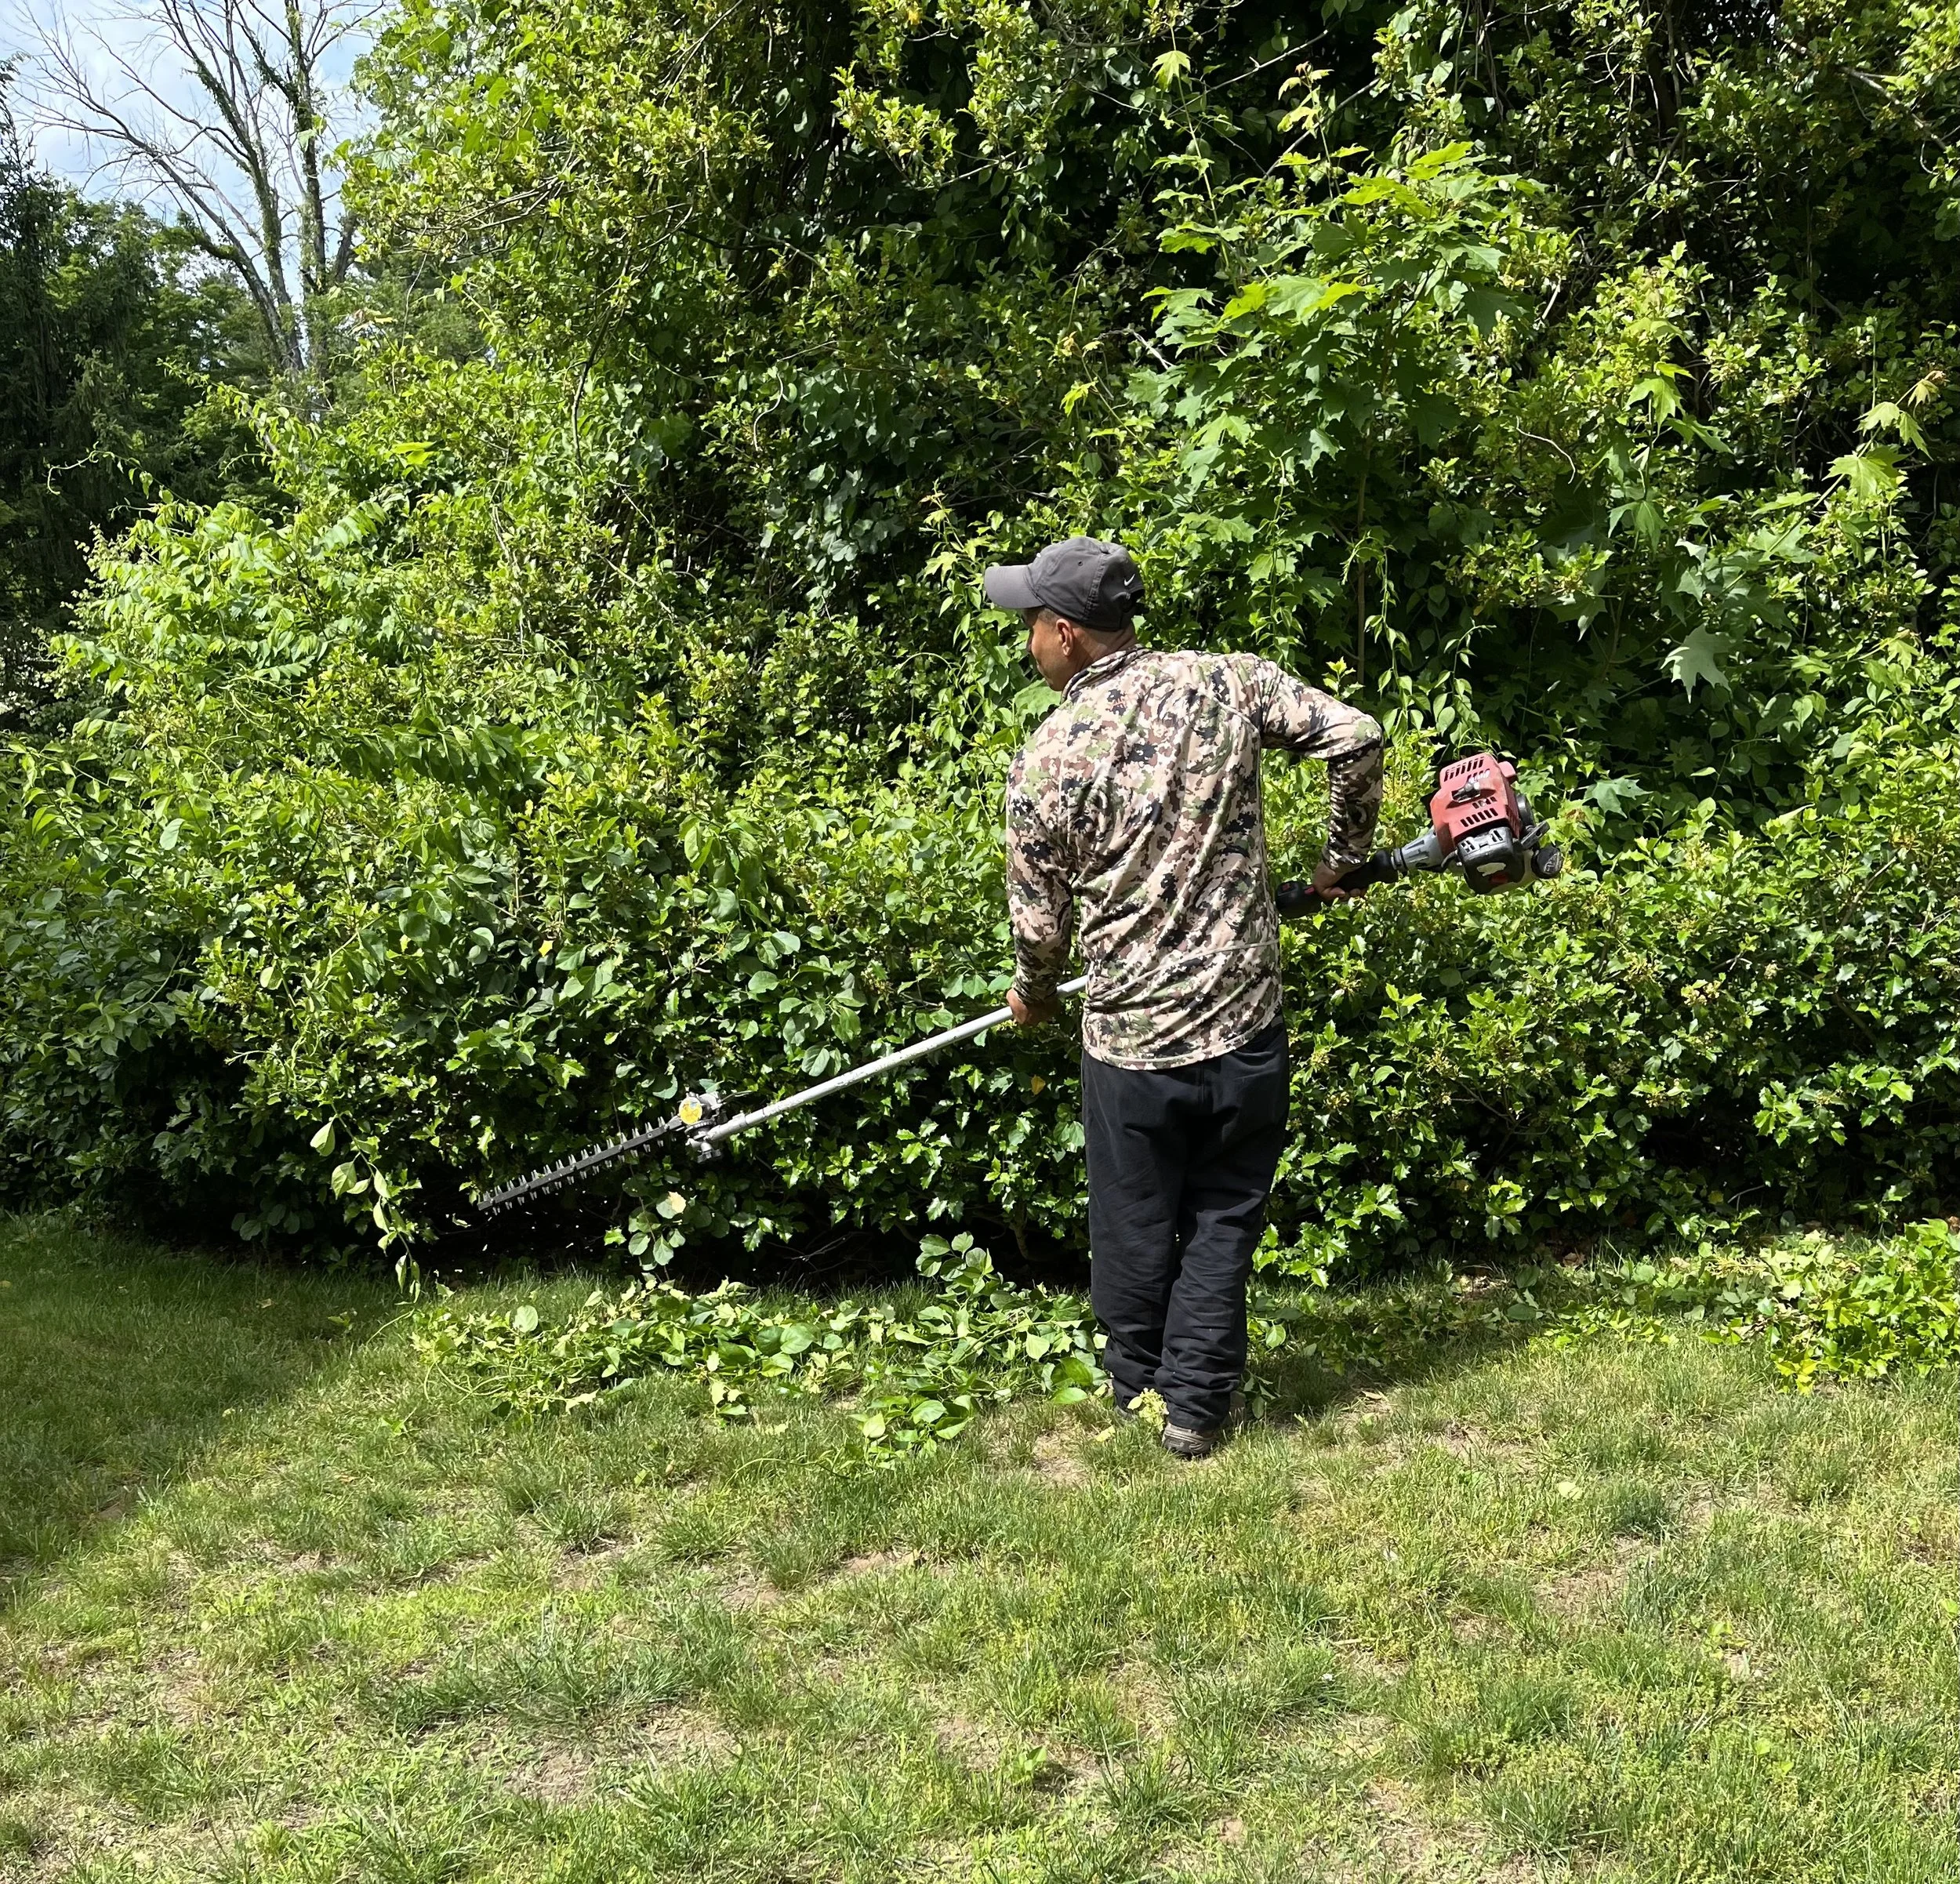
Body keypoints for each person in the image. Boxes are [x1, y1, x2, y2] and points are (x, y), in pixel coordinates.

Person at [985, 535, 1383, 1460]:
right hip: (1243, 1018)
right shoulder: (1227, 682)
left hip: (1129, 1040)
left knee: (1131, 1217)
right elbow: (1355, 736)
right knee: (1222, 1213)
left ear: (1065, 633)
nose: (1027, 645)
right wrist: (1341, 859)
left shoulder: (1047, 757)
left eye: (1029, 629)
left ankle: (1140, 1390)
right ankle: (1197, 1410)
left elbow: (1039, 928)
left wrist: (1032, 995)